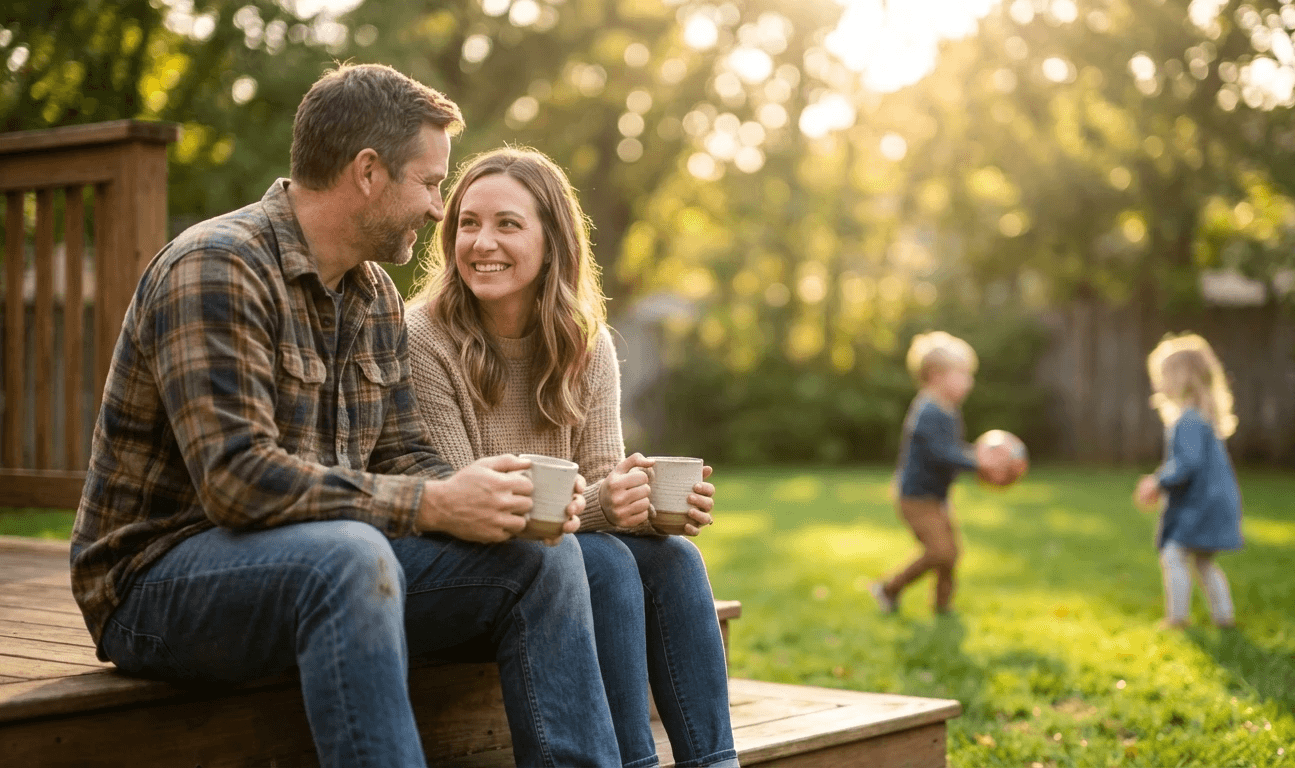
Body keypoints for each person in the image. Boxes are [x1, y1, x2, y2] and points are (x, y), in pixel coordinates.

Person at [70, 64, 623, 768]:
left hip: (325, 564)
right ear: (368, 172)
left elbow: (402, 455)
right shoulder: (217, 267)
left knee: (540, 555)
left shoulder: (373, 298)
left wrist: (490, 493)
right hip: (155, 589)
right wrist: (432, 503)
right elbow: (236, 482)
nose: (436, 209)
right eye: (429, 183)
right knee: (348, 555)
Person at [406, 147, 740, 768]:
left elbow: (600, 484)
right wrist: (603, 506)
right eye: (467, 224)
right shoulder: (423, 338)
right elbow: (466, 503)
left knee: (675, 557)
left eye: (508, 224)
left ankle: (716, 764)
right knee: (608, 562)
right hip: (479, 573)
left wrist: (648, 503)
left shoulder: (587, 345)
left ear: (551, 239)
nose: (482, 242)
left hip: (564, 558)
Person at [871, 331, 1005, 615]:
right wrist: (979, 462)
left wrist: (977, 460)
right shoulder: (928, 411)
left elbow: (952, 451)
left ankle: (943, 607)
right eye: (963, 374)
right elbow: (942, 453)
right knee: (940, 551)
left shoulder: (948, 410)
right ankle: (887, 589)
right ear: (936, 375)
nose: (970, 382)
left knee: (951, 554)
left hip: (935, 497)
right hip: (916, 499)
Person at [1133, 333, 1243, 629]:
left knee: (1173, 555)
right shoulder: (1203, 419)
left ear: (1180, 379)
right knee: (1204, 563)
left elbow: (1186, 465)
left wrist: (1157, 481)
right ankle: (1224, 618)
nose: (1159, 384)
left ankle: (1177, 619)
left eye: (1163, 376)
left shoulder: (1188, 421)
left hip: (1199, 506)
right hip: (1215, 503)